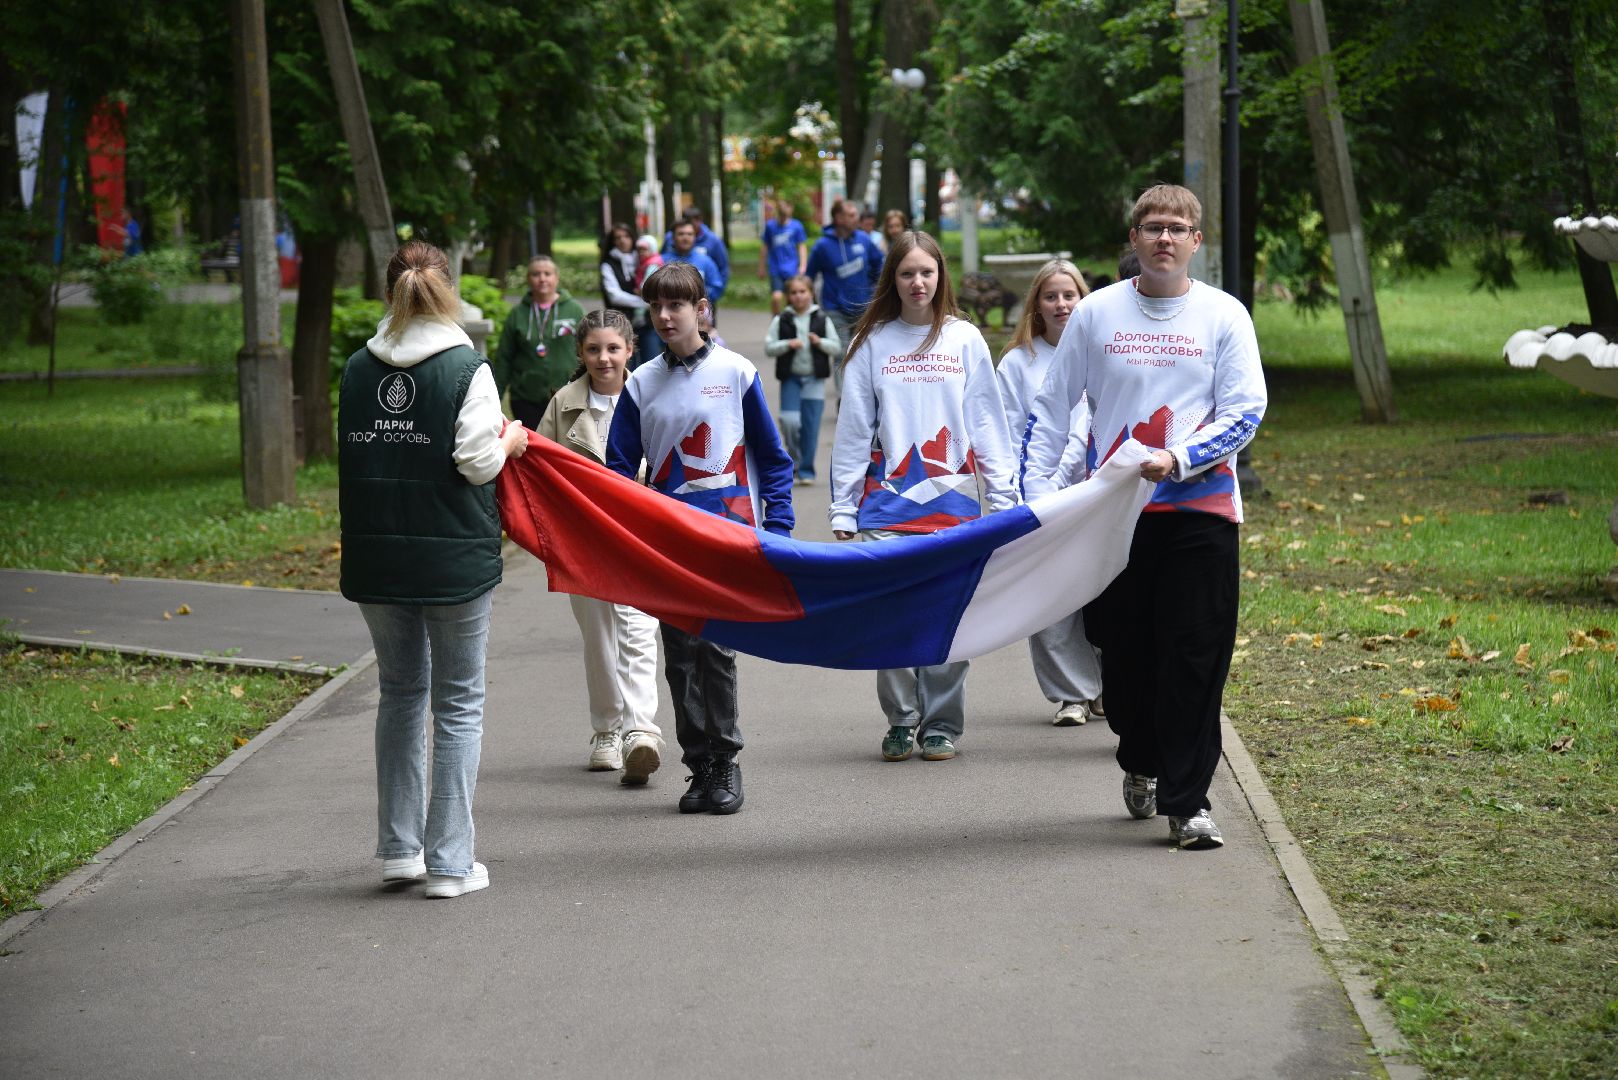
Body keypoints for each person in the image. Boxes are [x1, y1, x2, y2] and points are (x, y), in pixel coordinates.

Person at [1024, 184, 1266, 850]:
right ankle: (1141, 759)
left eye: (1179, 228)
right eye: (1153, 227)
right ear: (1133, 240)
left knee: (1195, 657)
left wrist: (1180, 457)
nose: (1165, 238)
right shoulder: (1098, 313)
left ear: (1196, 242)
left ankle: (1188, 805)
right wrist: (1036, 499)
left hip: (1201, 511)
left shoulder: (1224, 316)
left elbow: (1246, 410)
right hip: (1116, 515)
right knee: (1126, 661)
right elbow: (1050, 408)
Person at [338, 240, 529, 899]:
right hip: (452, 559)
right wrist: (513, 437)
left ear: (389, 289)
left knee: (399, 694)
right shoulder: (464, 368)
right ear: (450, 288)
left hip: (377, 554)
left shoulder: (357, 369)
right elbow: (478, 462)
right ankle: (450, 862)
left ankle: (399, 851)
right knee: (457, 701)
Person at [605, 261, 795, 816]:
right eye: (656, 308)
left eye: (676, 306)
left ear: (701, 310)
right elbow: (618, 470)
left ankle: (727, 762)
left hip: (728, 539)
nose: (664, 317)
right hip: (671, 545)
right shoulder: (640, 382)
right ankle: (699, 766)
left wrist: (777, 531)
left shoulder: (737, 373)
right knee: (681, 655)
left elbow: (772, 459)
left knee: (717, 650)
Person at [828, 230, 1017, 764]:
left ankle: (940, 723)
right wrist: (843, 506)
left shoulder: (965, 340)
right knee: (891, 617)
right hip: (885, 506)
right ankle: (901, 719)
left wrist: (1002, 503)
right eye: (907, 273)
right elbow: (853, 429)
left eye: (926, 273)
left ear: (941, 278)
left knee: (949, 619)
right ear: (893, 278)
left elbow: (987, 424)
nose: (917, 282)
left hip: (954, 508)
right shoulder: (870, 343)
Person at [537, 310, 665, 784]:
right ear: (581, 354)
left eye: (613, 348)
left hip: (639, 536)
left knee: (638, 628)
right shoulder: (563, 405)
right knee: (599, 636)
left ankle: (641, 732)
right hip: (585, 541)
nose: (604, 358)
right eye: (594, 349)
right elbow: (542, 470)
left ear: (630, 349)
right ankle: (607, 731)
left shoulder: (651, 395)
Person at [997, 258, 1103, 727]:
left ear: (1084, 300)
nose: (1061, 304)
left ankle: (1105, 686)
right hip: (1039, 499)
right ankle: (1072, 694)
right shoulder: (1019, 363)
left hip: (1099, 494)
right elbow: (1004, 434)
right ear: (1035, 305)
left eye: (1070, 295)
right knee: (1052, 599)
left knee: (1103, 593)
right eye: (1051, 296)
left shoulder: (1105, 352)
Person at [491, 255, 586, 429]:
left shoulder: (574, 309)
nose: (542, 278)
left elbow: (587, 349)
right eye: (536, 274)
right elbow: (504, 358)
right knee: (534, 449)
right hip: (526, 397)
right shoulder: (518, 313)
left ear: (556, 277)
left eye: (547, 273)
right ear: (528, 279)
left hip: (567, 394)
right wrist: (494, 398)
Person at [764, 274, 841, 486]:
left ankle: (806, 470)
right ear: (788, 296)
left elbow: (835, 347)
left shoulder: (822, 319)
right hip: (790, 378)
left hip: (814, 379)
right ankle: (794, 457)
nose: (798, 297)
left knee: (810, 425)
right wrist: (787, 344)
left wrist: (820, 342)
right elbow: (769, 348)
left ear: (811, 293)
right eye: (794, 293)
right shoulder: (782, 319)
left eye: (803, 292)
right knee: (789, 421)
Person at [806, 198, 884, 388]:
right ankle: (844, 397)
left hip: (863, 306)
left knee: (864, 351)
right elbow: (808, 276)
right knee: (841, 352)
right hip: (835, 308)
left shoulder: (864, 240)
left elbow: (879, 265)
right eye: (851, 215)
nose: (856, 218)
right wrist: (811, 305)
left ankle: (864, 393)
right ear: (838, 218)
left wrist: (877, 288)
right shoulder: (822, 246)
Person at [662, 206, 728, 322]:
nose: (685, 238)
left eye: (689, 234)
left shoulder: (706, 258)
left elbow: (718, 281)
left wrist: (700, 299)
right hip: (668, 314)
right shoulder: (662, 261)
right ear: (673, 237)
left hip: (701, 312)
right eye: (681, 234)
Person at [759, 198, 809, 315]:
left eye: (785, 216)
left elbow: (801, 246)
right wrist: (761, 267)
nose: (782, 219)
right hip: (776, 268)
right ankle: (776, 322)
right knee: (776, 297)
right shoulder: (771, 226)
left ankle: (792, 322)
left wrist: (802, 265)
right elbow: (765, 247)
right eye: (781, 216)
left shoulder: (796, 226)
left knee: (793, 299)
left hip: (792, 268)